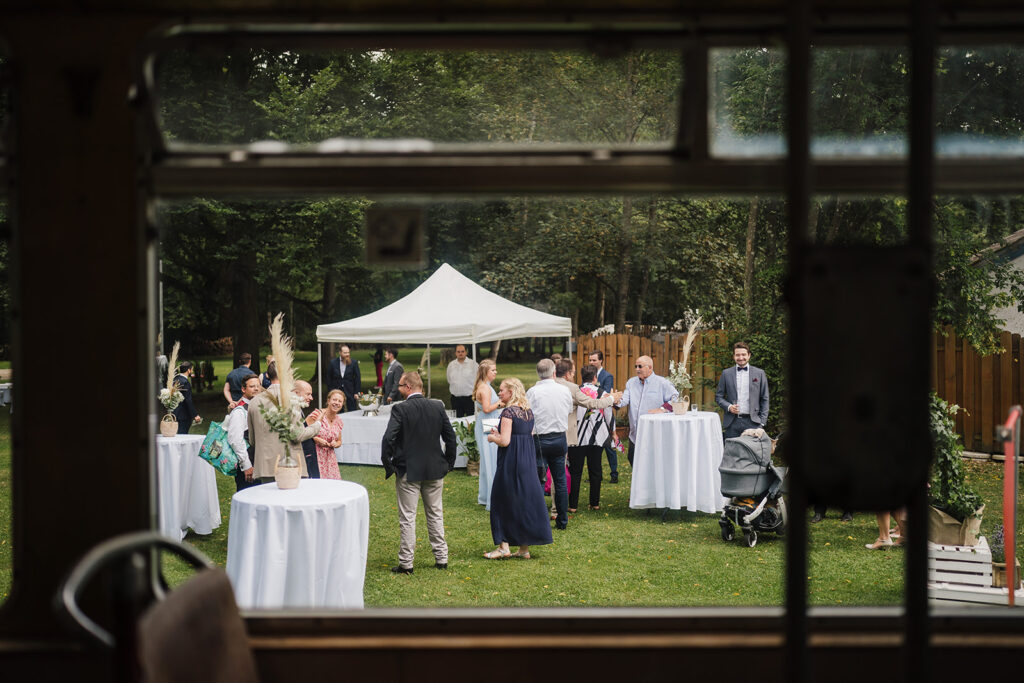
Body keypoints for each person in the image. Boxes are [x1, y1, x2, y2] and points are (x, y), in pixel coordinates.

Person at [381, 371, 457, 574]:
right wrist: (449, 463)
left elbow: (388, 439)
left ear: (408, 387)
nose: (398, 389)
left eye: (400, 385)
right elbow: (451, 438)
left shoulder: (400, 409)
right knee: (435, 514)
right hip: (434, 468)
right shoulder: (437, 407)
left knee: (408, 517)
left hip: (408, 470)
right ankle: (442, 558)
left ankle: (406, 563)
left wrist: (389, 466)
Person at [484, 377, 553, 559]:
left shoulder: (508, 412)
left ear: (511, 392)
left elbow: (505, 441)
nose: (499, 393)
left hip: (510, 461)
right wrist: (501, 434)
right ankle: (524, 549)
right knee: (523, 501)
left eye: (502, 390)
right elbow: (524, 435)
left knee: (501, 499)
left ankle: (503, 547)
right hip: (527, 461)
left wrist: (492, 438)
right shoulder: (527, 412)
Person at [248, 365, 322, 483]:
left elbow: (252, 440)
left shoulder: (254, 401)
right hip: (289, 464)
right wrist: (317, 425)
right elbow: (298, 435)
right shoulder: (291, 399)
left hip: (264, 466)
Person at [559, 362, 618, 511]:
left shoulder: (574, 391)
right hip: (596, 436)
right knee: (595, 469)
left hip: (577, 436)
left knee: (575, 471)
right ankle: (594, 503)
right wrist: (613, 432)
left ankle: (572, 505)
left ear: (581, 376)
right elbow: (609, 415)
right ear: (595, 377)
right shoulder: (603, 393)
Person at [526, 358, 573, 530]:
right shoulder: (564, 390)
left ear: (538, 374)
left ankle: (538, 519)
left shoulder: (532, 392)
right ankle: (562, 520)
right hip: (559, 437)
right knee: (559, 480)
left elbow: (528, 414)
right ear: (554, 372)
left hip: (539, 439)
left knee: (538, 480)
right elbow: (568, 410)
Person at [615, 355, 678, 467]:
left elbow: (676, 398)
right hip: (635, 434)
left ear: (650, 367)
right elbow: (624, 400)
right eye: (636, 366)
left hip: (654, 434)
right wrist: (615, 400)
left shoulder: (662, 383)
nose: (637, 369)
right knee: (633, 460)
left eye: (640, 366)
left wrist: (662, 409)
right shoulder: (631, 383)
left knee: (653, 465)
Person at [715, 342, 770, 439]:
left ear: (749, 355)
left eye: (743, 354)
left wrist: (762, 422)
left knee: (752, 453)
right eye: (738, 355)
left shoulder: (760, 373)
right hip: (732, 423)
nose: (741, 358)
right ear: (734, 356)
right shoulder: (726, 373)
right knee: (732, 453)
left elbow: (765, 398)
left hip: (753, 423)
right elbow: (718, 397)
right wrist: (729, 407)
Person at [472, 359, 503, 509]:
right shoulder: (484, 388)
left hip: (489, 422)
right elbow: (486, 408)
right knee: (490, 461)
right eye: (493, 370)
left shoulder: (487, 386)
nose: (495, 372)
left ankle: (486, 495)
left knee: (490, 460)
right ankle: (491, 498)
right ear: (485, 372)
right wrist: (500, 403)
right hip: (487, 424)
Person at [589, 349, 620, 483]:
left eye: (594, 360)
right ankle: (596, 475)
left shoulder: (607, 376)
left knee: (608, 446)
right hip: (592, 415)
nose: (591, 362)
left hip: (604, 413)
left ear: (601, 360)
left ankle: (614, 473)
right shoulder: (588, 374)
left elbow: (607, 394)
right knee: (594, 446)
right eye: (590, 360)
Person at [227, 374, 260, 491]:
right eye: (252, 386)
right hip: (248, 465)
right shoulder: (239, 412)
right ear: (243, 389)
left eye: (258, 386)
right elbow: (235, 440)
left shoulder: (259, 408)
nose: (256, 389)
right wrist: (246, 465)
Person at [313, 390, 345, 480]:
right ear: (328, 401)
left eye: (340, 401)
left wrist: (336, 443)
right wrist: (316, 439)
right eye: (334, 400)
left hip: (330, 459)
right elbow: (303, 432)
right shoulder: (317, 414)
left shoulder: (339, 421)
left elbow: (339, 441)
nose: (337, 403)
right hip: (316, 455)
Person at [446, 344, 478, 418]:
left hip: (470, 399)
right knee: (456, 421)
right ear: (455, 353)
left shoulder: (473, 364)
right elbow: (449, 379)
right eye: (458, 351)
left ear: (466, 352)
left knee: (471, 420)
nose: (460, 353)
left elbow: (478, 379)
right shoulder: (451, 365)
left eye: (462, 351)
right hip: (455, 399)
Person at [328, 344, 362, 413]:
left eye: (348, 352)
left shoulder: (354, 363)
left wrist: (356, 392)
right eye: (345, 353)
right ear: (340, 353)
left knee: (352, 410)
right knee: (338, 411)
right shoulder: (333, 363)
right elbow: (329, 378)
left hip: (350, 390)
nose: (347, 354)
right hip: (337, 390)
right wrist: (331, 391)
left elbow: (357, 378)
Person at [171, 361, 201, 434]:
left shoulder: (175, 379)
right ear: (188, 370)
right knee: (182, 435)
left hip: (174, 413)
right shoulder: (185, 382)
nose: (192, 371)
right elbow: (188, 400)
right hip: (184, 415)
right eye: (192, 369)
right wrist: (195, 415)